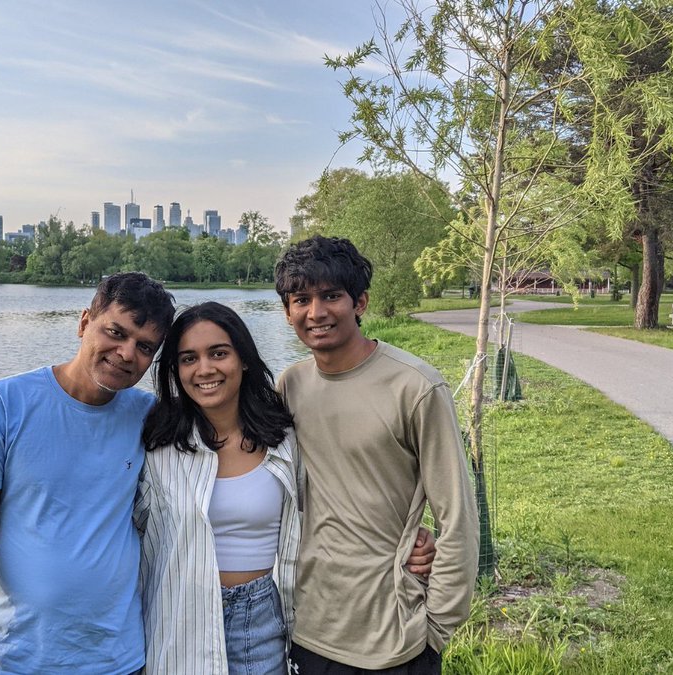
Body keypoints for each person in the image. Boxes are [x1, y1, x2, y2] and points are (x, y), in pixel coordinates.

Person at [136, 302, 436, 675]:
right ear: (175, 370)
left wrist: (405, 536)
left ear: (243, 359)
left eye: (219, 353)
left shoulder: (283, 438)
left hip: (262, 620)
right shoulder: (157, 442)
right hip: (180, 619)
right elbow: (125, 526)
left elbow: (340, 495)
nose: (205, 369)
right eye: (188, 358)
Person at [0, 272, 176, 675]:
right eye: (115, 332)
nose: (125, 354)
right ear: (85, 322)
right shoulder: (4, 404)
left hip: (119, 659)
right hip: (19, 658)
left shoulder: (148, 418)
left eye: (144, 347)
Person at [274, 236, 478, 674]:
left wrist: (438, 627)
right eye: (301, 299)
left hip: (395, 637)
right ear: (287, 311)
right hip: (308, 627)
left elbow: (457, 515)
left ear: (360, 302)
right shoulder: (290, 386)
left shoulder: (416, 387)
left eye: (332, 296)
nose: (316, 313)